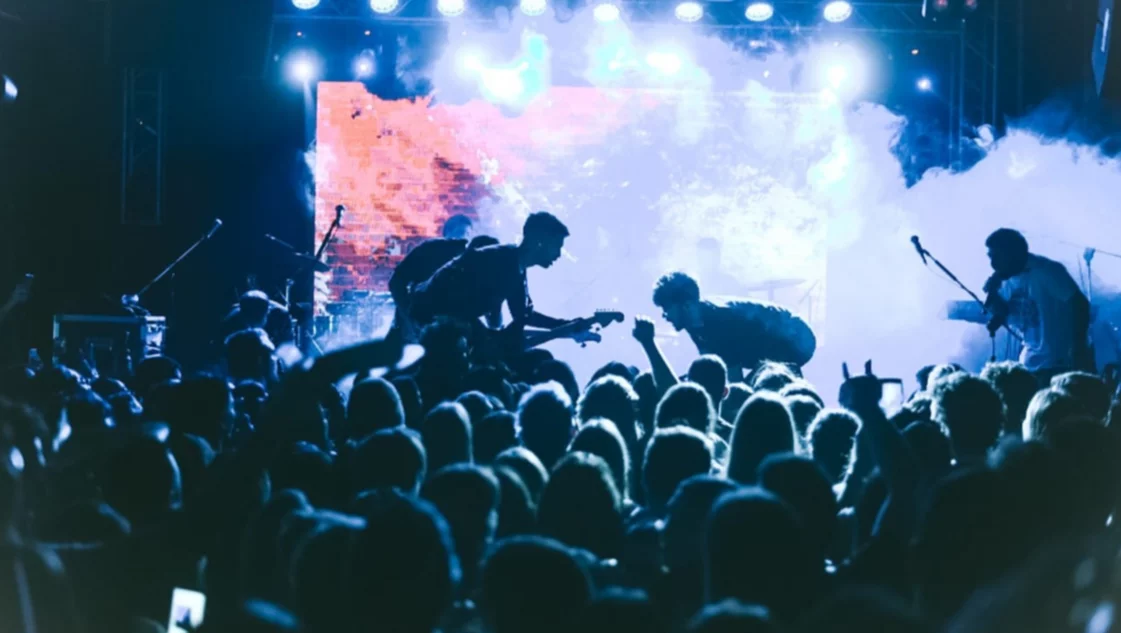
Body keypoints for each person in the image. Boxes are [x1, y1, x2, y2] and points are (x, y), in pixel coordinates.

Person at [408, 212, 574, 354]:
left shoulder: (515, 265)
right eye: (556, 247)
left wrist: (567, 325)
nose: (559, 254)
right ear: (539, 242)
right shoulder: (501, 261)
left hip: (436, 324)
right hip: (427, 325)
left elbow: (523, 315)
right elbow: (452, 298)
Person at [649, 272, 816, 381]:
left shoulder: (720, 323)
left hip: (796, 339)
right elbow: (712, 366)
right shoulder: (694, 320)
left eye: (666, 309)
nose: (665, 316)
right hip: (776, 342)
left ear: (686, 305)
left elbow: (734, 382)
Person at [983, 228, 1091, 381]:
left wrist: (1078, 347)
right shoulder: (1006, 278)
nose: (993, 264)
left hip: (1060, 362)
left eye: (997, 257)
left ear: (1014, 253)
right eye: (990, 257)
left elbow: (1080, 305)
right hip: (1029, 361)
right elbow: (1002, 311)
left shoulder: (1046, 271)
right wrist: (992, 292)